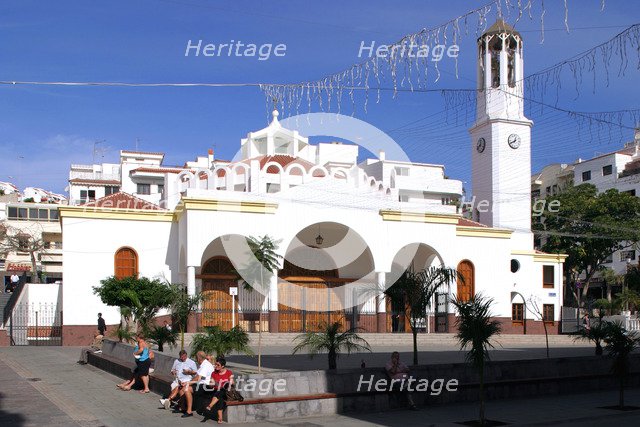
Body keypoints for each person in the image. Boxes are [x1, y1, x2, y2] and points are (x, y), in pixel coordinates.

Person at [177, 351, 214, 418]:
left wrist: (188, 382)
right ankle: (182, 407)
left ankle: (189, 411)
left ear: (199, 358)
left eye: (196, 358)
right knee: (182, 389)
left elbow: (198, 378)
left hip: (205, 386)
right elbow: (197, 375)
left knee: (187, 389)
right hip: (200, 384)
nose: (196, 359)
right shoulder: (203, 364)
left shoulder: (205, 365)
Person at [203, 357, 234, 424]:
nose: (216, 366)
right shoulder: (214, 373)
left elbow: (232, 382)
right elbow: (211, 385)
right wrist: (212, 383)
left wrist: (227, 384)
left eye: (218, 365)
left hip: (227, 393)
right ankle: (220, 418)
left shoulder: (229, 372)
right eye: (215, 364)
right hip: (217, 392)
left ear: (222, 366)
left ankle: (210, 406)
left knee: (221, 390)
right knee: (220, 396)